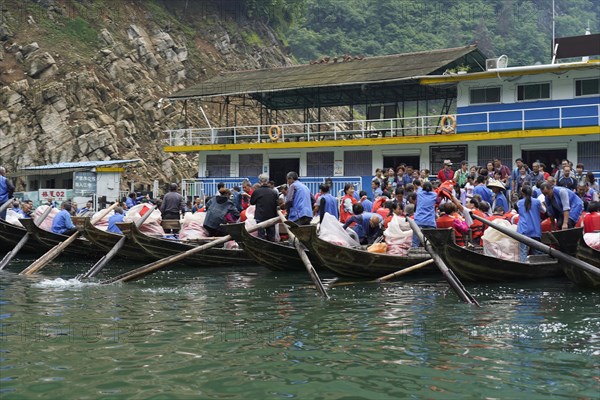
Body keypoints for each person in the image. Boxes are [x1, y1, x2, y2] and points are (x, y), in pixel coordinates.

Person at [516, 185, 545, 262]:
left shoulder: (519, 203)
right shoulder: (537, 202)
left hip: (523, 230)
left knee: (523, 253)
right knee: (537, 253)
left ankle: (523, 268)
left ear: (522, 193)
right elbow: (544, 211)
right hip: (535, 230)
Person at [250, 174, 279, 241]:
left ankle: (262, 249)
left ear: (260, 181)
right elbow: (276, 204)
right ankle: (271, 249)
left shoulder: (256, 192)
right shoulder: (274, 192)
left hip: (260, 216)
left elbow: (252, 202)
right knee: (271, 236)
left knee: (261, 236)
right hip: (271, 216)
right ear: (267, 181)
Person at [412, 181, 438, 247]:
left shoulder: (419, 193)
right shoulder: (434, 195)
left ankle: (414, 252)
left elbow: (418, 187)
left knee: (415, 243)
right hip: (430, 222)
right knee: (432, 243)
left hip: (419, 221)